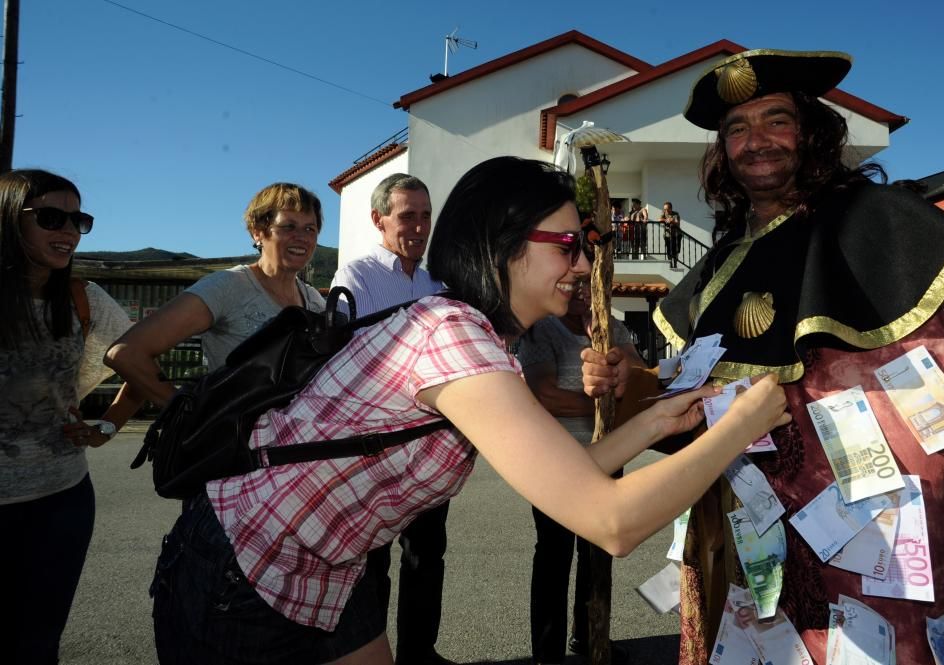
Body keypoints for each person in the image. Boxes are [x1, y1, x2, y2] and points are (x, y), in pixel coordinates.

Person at [148, 156, 790, 665]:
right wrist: (741, 426)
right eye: (569, 243)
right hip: (246, 571)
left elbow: (569, 472)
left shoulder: (480, 340)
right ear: (505, 244)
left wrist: (653, 421)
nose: (586, 262)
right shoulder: (454, 338)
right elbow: (610, 522)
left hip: (326, 570)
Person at [584, 49, 944, 663]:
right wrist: (634, 383)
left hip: (858, 531)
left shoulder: (879, 224)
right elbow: (690, 403)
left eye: (775, 120)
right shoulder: (720, 263)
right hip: (739, 534)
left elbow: (929, 397)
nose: (756, 141)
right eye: (737, 130)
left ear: (811, 131)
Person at [0, 169, 145, 663]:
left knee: (38, 644)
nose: (67, 231)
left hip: (61, 501)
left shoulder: (84, 298)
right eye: (50, 218)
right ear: (9, 220)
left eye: (77, 220)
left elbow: (143, 364)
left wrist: (109, 424)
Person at [330, 173, 449, 665]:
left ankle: (419, 655)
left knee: (427, 558)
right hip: (373, 448)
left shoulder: (436, 283)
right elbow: (346, 359)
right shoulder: (355, 278)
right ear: (379, 220)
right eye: (407, 216)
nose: (419, 226)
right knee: (371, 565)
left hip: (425, 446)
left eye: (424, 215)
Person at [105, 182, 326, 407]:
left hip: (302, 439)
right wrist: (188, 415)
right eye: (288, 226)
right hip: (238, 439)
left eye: (310, 228)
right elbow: (126, 353)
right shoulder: (228, 287)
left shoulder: (314, 301)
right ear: (258, 232)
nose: (302, 237)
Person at [518, 281, 642, 665]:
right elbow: (544, 393)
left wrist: (610, 350)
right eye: (576, 287)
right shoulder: (541, 330)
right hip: (557, 463)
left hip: (607, 458)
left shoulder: (613, 329)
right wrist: (604, 408)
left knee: (596, 556)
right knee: (554, 557)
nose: (584, 295)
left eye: (591, 288)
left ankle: (590, 639)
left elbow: (638, 376)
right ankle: (547, 654)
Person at [659, 201, 681, 269]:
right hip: (667, 235)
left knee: (676, 251)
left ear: (671, 208)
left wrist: (672, 221)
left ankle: (675, 264)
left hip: (676, 235)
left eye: (667, 209)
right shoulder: (664, 213)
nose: (666, 210)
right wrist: (666, 220)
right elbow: (659, 219)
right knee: (669, 250)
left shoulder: (675, 214)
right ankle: (670, 263)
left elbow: (677, 223)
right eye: (664, 209)